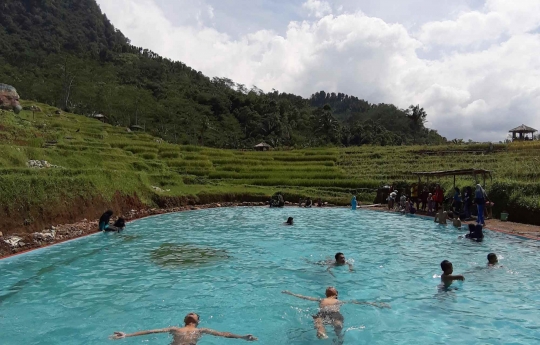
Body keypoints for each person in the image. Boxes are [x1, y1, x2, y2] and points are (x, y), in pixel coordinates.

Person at [282, 287, 389, 340]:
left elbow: (359, 302)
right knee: (318, 321)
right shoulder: (321, 299)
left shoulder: (337, 301)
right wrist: (291, 293)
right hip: (324, 312)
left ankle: (338, 337)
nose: (330, 288)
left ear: (336, 294)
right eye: (328, 289)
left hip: (333, 312)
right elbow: (305, 297)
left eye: (332, 289)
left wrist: (376, 304)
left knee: (336, 324)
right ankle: (322, 333)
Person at [110, 312, 257, 344]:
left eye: (194, 314)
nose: (191, 314)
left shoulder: (201, 330)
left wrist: (242, 337)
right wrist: (127, 335)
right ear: (184, 320)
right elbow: (151, 331)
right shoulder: (175, 328)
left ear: (198, 321)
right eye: (189, 313)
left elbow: (223, 334)